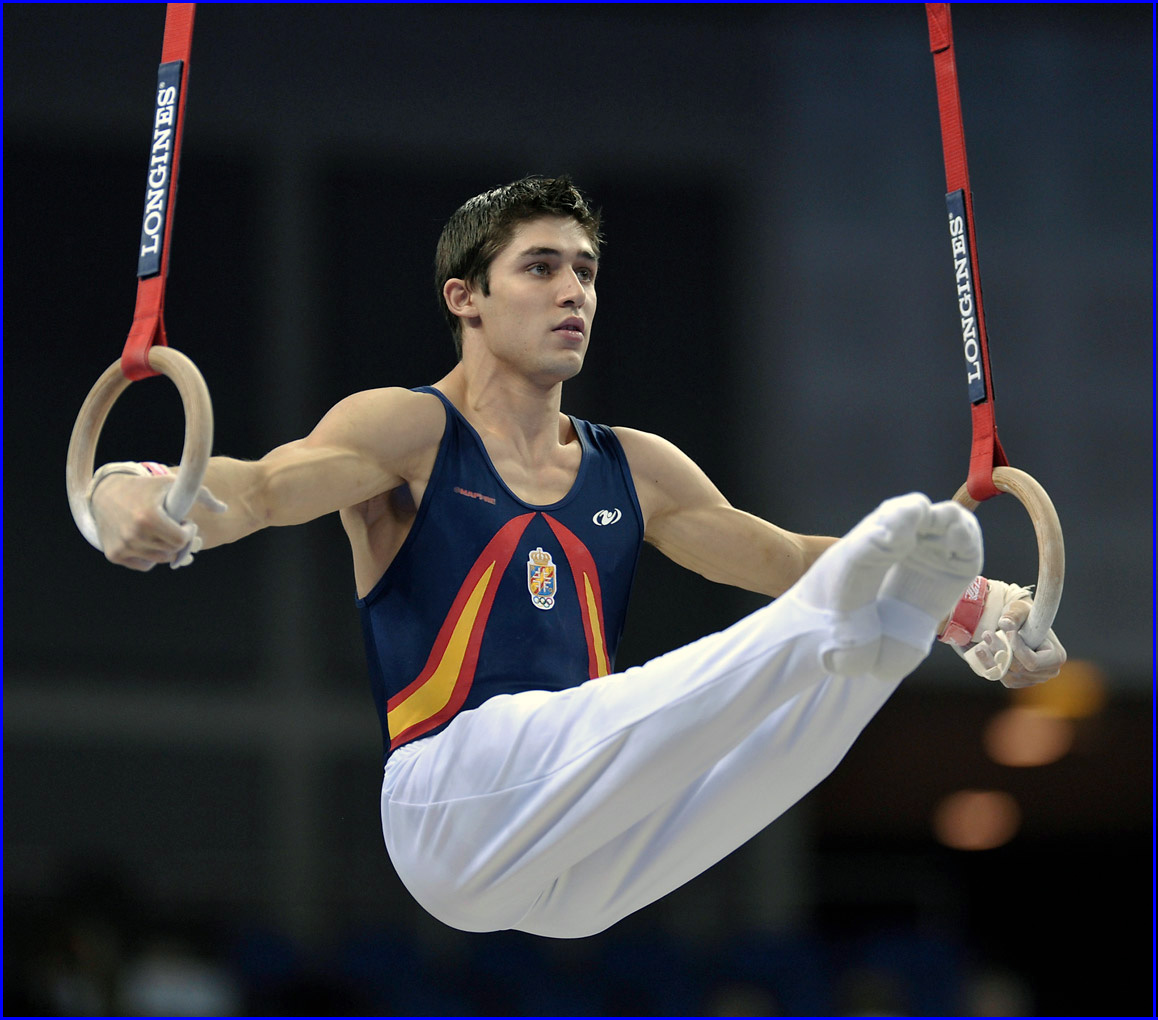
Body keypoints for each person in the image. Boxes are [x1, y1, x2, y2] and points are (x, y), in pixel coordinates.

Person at [86, 176, 1065, 939]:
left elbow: (776, 552)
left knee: (772, 751)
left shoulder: (633, 467)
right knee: (732, 664)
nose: (574, 293)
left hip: (584, 857)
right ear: (464, 297)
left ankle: (894, 632)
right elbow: (257, 489)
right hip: (449, 803)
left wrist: (972, 607)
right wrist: (129, 491)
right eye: (542, 268)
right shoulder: (406, 432)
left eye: (587, 271)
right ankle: (837, 627)